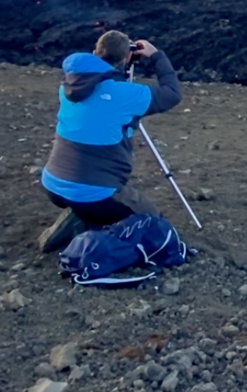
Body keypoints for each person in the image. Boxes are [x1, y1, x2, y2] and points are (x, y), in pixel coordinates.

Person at [36, 29, 182, 253]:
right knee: (152, 223)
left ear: (96, 52)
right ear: (126, 56)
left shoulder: (69, 85)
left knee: (89, 196)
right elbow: (172, 93)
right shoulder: (125, 94)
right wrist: (156, 56)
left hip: (53, 186)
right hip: (95, 193)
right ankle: (90, 228)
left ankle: (78, 218)